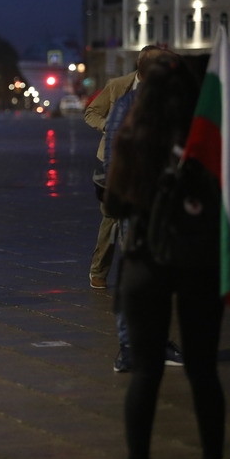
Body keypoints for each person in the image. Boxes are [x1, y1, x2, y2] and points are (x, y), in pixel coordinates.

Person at [104, 52, 225, 459]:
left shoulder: (134, 138)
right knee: (204, 371)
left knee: (147, 373)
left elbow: (114, 205)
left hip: (145, 260)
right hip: (200, 260)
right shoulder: (208, 137)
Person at [98, 46, 184, 373]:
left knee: (162, 276)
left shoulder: (172, 106)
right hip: (137, 203)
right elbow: (114, 156)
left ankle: (157, 341)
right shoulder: (128, 105)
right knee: (135, 276)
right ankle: (129, 347)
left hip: (166, 204)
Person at [84, 45, 161, 290]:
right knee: (110, 216)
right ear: (141, 67)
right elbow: (91, 113)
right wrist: (109, 125)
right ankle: (98, 271)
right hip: (114, 159)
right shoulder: (118, 85)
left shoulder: (163, 89)